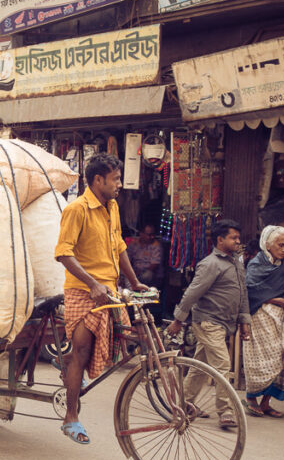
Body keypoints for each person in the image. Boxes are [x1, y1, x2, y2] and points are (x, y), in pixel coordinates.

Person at [54, 154, 149, 445]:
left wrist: (135, 282)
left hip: (109, 290)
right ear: (98, 180)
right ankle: (71, 417)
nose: (119, 184)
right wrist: (92, 283)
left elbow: (118, 246)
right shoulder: (76, 209)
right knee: (82, 351)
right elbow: (63, 253)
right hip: (83, 291)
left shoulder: (113, 207)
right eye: (116, 179)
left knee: (111, 343)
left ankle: (67, 365)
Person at [167, 219, 250, 430]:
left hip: (224, 323)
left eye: (238, 238)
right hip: (208, 322)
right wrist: (178, 319)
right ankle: (225, 410)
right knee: (222, 364)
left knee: (199, 367)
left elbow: (242, 294)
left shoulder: (236, 263)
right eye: (233, 238)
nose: (238, 242)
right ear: (220, 239)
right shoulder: (210, 264)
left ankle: (184, 404)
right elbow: (192, 293)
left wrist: (244, 321)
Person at [243, 226, 284, 418]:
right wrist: (274, 299)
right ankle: (251, 398)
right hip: (260, 317)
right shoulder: (255, 265)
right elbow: (250, 290)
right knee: (260, 357)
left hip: (281, 318)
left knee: (283, 357)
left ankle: (266, 402)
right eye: (280, 245)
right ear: (267, 245)